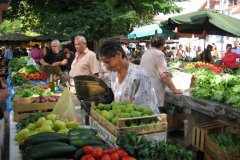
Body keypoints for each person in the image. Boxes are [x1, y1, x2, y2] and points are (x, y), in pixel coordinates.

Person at [99, 40, 160, 114]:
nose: (107, 66)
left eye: (108, 62)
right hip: (123, 120)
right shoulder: (113, 74)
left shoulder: (138, 74)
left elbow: (144, 108)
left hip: (145, 121)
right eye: (105, 63)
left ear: (119, 54)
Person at [141, 34, 183, 111]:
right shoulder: (159, 54)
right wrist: (174, 89)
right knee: (154, 117)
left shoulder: (146, 52)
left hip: (145, 90)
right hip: (154, 92)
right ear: (163, 44)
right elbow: (164, 76)